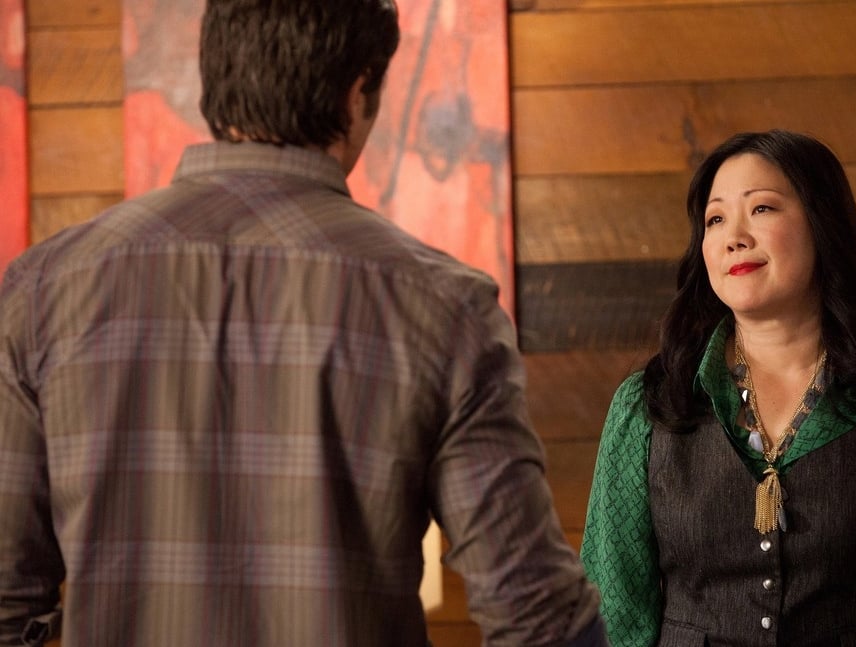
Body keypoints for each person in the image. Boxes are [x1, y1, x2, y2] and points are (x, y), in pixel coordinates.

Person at [0, 1, 606, 645]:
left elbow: (7, 603)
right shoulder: (445, 305)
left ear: (214, 78)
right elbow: (538, 619)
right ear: (357, 92)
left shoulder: (43, 289)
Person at [580, 130, 856, 646]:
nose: (734, 236)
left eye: (761, 208)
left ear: (822, 224)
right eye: (715, 219)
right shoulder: (646, 406)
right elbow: (612, 621)